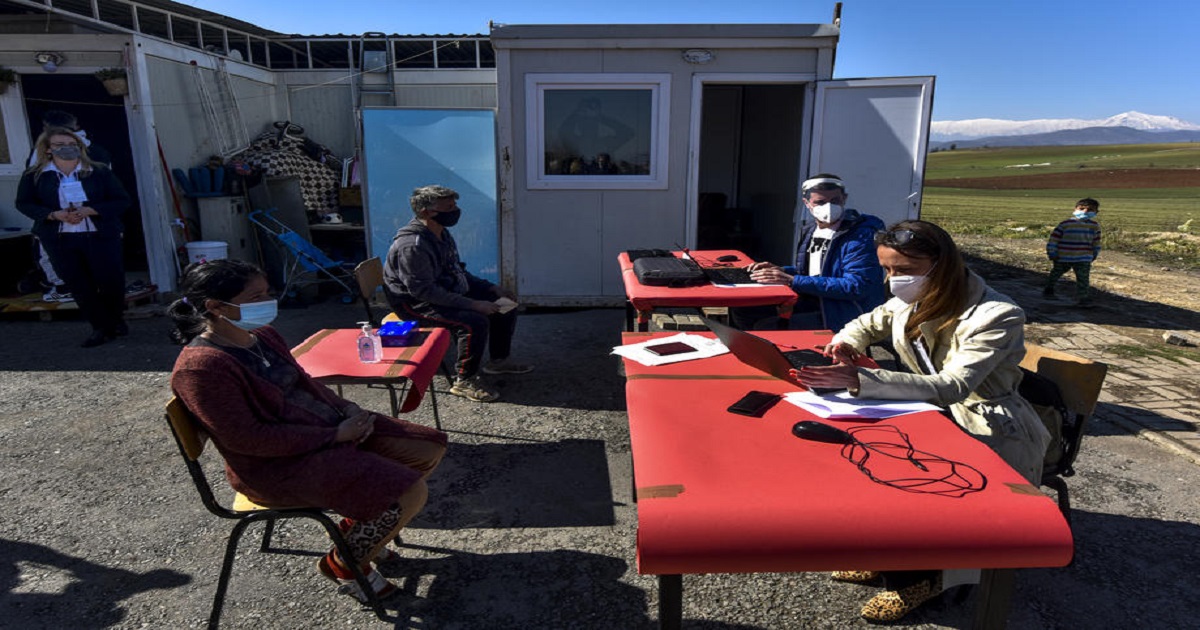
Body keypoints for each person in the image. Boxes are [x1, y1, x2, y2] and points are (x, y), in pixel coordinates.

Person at [791, 220, 1051, 623]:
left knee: (928, 486)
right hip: (925, 409)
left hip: (986, 422)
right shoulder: (916, 297)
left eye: (904, 269)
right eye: (887, 269)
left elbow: (953, 385)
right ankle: (888, 554)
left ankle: (925, 577)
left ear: (942, 265)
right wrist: (846, 342)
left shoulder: (997, 314)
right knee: (871, 462)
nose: (892, 280)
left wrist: (860, 380)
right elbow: (869, 322)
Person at [167, 259, 447, 604]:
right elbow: (248, 439)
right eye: (255, 297)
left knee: (427, 447)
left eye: (267, 293)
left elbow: (305, 382)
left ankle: (357, 531)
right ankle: (345, 564)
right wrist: (335, 436)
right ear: (215, 307)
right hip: (276, 467)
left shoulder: (263, 336)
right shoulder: (201, 368)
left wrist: (348, 409)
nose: (268, 302)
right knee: (408, 492)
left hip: (325, 431)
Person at [382, 185, 532, 403]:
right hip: (414, 303)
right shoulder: (412, 246)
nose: (455, 211)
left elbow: (457, 271)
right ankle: (465, 380)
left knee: (505, 305)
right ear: (426, 212)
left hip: (442, 290)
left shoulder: (441, 234)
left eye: (454, 205)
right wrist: (473, 304)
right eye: (449, 207)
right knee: (474, 322)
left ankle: (498, 362)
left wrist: (491, 288)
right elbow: (423, 291)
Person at [15, 126, 130, 347]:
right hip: (60, 238)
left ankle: (115, 319)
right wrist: (52, 214)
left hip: (99, 234)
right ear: (48, 149)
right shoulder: (35, 175)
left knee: (110, 280)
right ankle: (99, 327)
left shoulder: (98, 171)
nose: (67, 149)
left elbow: (121, 200)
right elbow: (24, 203)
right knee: (78, 283)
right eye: (60, 145)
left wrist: (91, 210)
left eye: (72, 144)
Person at [734, 174, 886, 331]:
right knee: (744, 309)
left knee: (766, 326)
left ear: (844, 199)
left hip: (844, 313)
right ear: (806, 203)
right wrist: (782, 271)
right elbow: (817, 273)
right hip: (814, 303)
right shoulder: (810, 230)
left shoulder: (860, 236)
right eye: (820, 202)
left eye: (835, 201)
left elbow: (856, 286)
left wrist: (792, 280)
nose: (828, 207)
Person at [25, 110, 114, 303]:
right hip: (92, 213)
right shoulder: (99, 151)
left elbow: (35, 180)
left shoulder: (43, 151)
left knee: (51, 253)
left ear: (48, 129)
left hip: (58, 213)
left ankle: (63, 287)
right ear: (76, 125)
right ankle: (92, 287)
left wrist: (46, 212)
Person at [1043, 197, 1102, 306]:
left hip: (1083, 257)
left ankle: (1083, 299)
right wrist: (1052, 252)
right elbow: (1054, 239)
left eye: (1090, 210)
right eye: (1082, 208)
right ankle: (1049, 288)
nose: (1085, 211)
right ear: (1075, 209)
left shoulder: (1094, 226)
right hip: (1063, 256)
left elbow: (1096, 241)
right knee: (1055, 274)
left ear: (1096, 212)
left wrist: (1095, 252)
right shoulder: (1065, 224)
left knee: (1083, 279)